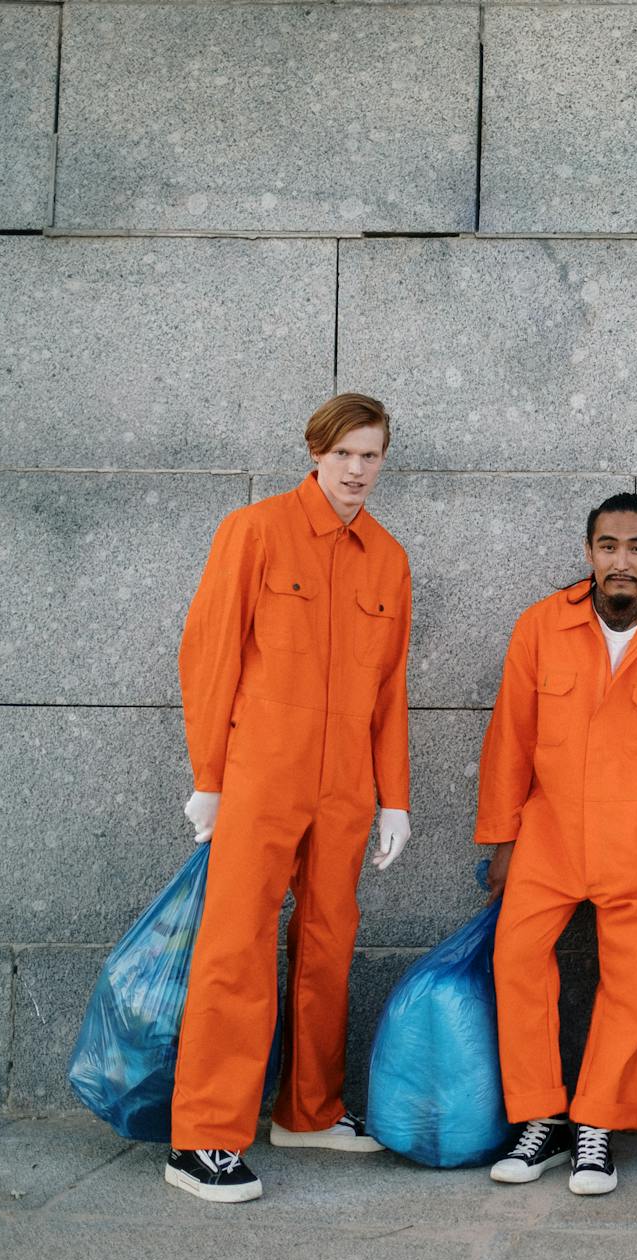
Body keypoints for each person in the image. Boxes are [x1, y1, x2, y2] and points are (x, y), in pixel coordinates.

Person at [166, 393, 413, 1203]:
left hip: (344, 783)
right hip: (262, 775)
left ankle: (308, 1109)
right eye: (345, 454)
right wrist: (211, 778)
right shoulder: (257, 530)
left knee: (329, 942)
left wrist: (394, 796)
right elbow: (209, 654)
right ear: (315, 452)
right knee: (235, 948)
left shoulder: (388, 557)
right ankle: (201, 1138)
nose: (357, 471)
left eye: (371, 456)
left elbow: (389, 691)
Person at [475, 493, 637, 1197]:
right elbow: (509, 740)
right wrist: (501, 839)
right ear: (589, 553)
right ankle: (541, 1120)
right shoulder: (540, 627)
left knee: (633, 990)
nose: (623, 560)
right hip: (546, 840)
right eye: (609, 546)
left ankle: (596, 1128)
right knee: (518, 965)